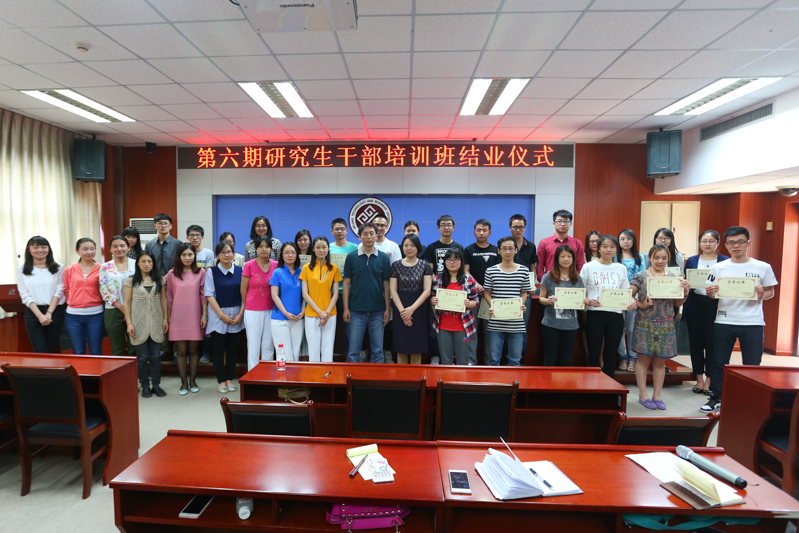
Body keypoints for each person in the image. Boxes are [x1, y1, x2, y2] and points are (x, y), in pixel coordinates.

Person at [702, 226, 778, 413]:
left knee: (752, 363)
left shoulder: (762, 267)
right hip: (724, 320)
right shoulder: (719, 267)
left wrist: (762, 293)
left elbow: (771, 291)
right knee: (719, 362)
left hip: (753, 322)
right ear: (726, 245)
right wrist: (711, 293)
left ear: (748, 243)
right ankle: (716, 397)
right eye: (732, 243)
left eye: (740, 242)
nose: (736, 246)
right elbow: (710, 292)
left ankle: (750, 398)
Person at [630, 245, 690, 410]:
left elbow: (677, 303)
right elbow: (628, 295)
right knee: (643, 360)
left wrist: (686, 292)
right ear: (650, 258)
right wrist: (642, 305)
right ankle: (643, 394)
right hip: (644, 323)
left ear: (668, 259)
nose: (660, 261)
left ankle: (657, 396)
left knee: (660, 362)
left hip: (666, 324)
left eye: (664, 258)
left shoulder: (673, 278)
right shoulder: (641, 276)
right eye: (656, 257)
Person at [683, 230, 729, 395]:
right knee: (695, 343)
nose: (707, 244)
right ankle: (699, 379)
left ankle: (709, 380)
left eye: (711, 241)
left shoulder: (725, 261)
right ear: (699, 243)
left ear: (718, 243)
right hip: (695, 304)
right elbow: (686, 281)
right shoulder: (692, 260)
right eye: (704, 241)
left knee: (712, 344)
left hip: (716, 304)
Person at [580, 235, 631, 378]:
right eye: (605, 246)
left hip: (616, 316)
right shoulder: (588, 267)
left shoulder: (621, 268)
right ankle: (591, 386)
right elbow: (580, 291)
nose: (609, 249)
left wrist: (631, 301)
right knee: (593, 355)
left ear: (616, 249)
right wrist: (587, 301)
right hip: (595, 315)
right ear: (598, 248)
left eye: (612, 247)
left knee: (610, 356)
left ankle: (609, 387)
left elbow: (625, 291)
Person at [343, 222, 391, 363]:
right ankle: (352, 376)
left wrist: (387, 309)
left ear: (376, 236)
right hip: (356, 310)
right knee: (353, 351)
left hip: (378, 310)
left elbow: (386, 284)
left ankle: (376, 377)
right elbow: (346, 283)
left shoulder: (383, 258)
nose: (369, 236)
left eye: (371, 233)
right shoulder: (351, 257)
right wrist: (346, 308)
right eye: (365, 234)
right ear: (359, 237)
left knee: (378, 351)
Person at [124, 253, 169, 398]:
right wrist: (129, 323)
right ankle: (144, 386)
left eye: (150, 261)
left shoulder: (159, 279)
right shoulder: (131, 280)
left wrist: (165, 319)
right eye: (143, 261)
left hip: (156, 321)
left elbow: (164, 300)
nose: (147, 264)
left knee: (156, 356)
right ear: (138, 263)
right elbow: (127, 303)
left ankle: (156, 385)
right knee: (142, 357)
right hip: (138, 323)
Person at [483, 236, 532, 366]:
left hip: (516, 321)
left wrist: (521, 304)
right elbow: (487, 293)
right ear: (499, 251)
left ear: (516, 250)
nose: (508, 252)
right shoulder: (491, 271)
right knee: (494, 360)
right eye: (504, 248)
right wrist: (493, 305)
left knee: (515, 360)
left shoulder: (524, 270)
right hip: (496, 321)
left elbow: (524, 292)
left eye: (511, 248)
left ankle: (514, 380)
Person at [166, 243, 207, 395]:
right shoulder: (172, 274)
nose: (187, 257)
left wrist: (204, 315)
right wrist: (168, 318)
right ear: (179, 256)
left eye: (190, 254)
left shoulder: (200, 272)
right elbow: (169, 297)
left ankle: (193, 381)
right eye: (184, 255)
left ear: (194, 255)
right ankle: (183, 383)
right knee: (181, 351)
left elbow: (204, 296)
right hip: (178, 317)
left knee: (194, 350)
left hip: (195, 315)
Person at [205, 241, 245, 394]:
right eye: (223, 252)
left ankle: (229, 379)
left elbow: (245, 294)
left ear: (233, 254)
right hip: (218, 315)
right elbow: (209, 295)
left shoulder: (241, 270)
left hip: (237, 314)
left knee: (232, 349)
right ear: (217, 255)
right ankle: (221, 380)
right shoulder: (212, 271)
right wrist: (221, 315)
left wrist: (241, 314)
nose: (226, 255)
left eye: (229, 252)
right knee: (218, 349)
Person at [423, 215, 464, 364]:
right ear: (438, 228)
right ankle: (435, 355)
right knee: (435, 325)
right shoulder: (431, 247)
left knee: (454, 325)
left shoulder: (459, 247)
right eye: (443, 225)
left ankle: (452, 356)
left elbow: (462, 271)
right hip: (438, 292)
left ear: (454, 227)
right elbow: (430, 271)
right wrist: (440, 286)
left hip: (456, 292)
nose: (446, 227)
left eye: (449, 225)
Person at [16, 236, 66, 353]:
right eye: (36, 247)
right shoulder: (21, 269)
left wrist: (49, 313)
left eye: (43, 247)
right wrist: (40, 316)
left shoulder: (59, 267)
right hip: (33, 313)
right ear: (29, 249)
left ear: (49, 249)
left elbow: (60, 290)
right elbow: (24, 294)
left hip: (55, 312)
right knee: (40, 351)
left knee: (52, 350)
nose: (40, 250)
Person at [538, 245, 585, 366]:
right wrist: (548, 300)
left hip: (571, 325)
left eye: (569, 256)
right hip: (551, 324)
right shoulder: (548, 276)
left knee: (566, 359)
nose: (566, 259)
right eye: (562, 256)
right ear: (557, 258)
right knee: (550, 357)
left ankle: (564, 379)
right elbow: (541, 298)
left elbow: (581, 299)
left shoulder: (578, 278)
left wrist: (584, 301)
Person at [390, 234, 433, 364]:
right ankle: (402, 376)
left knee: (416, 347)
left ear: (418, 247)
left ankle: (416, 376)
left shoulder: (424, 265)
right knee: (401, 346)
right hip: (400, 308)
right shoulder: (396, 265)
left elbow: (427, 291)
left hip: (418, 309)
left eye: (412, 245)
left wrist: (412, 309)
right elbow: (393, 290)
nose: (409, 248)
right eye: (406, 245)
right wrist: (403, 312)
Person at [431, 249, 479, 365]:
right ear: (444, 262)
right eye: (449, 259)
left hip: (463, 326)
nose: (452, 262)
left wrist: (469, 304)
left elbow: (476, 301)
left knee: (463, 361)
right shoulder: (438, 280)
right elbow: (432, 297)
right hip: (443, 325)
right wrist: (433, 300)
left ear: (461, 261)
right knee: (446, 360)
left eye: (455, 259)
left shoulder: (469, 280)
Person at [463, 219, 500, 364]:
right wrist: (478, 286)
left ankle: (490, 361)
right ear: (474, 232)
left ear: (490, 232)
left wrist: (488, 289)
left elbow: (499, 271)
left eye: (485, 230)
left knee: (490, 331)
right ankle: (471, 360)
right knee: (472, 330)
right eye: (479, 230)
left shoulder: (496, 250)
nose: (482, 233)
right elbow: (466, 271)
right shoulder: (468, 250)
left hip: (490, 297)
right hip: (473, 296)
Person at [300, 236, 342, 362]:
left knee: (328, 349)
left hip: (330, 314)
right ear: (313, 249)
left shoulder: (334, 268)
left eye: (324, 247)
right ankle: (315, 374)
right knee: (313, 349)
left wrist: (326, 313)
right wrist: (320, 312)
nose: (321, 250)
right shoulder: (306, 268)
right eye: (318, 247)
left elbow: (336, 294)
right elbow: (305, 294)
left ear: (328, 249)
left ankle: (327, 373)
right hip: (312, 313)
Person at [241, 236, 278, 370]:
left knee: (268, 346)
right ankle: (253, 375)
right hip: (252, 311)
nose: (264, 249)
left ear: (271, 249)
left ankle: (267, 375)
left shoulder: (276, 265)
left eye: (267, 246)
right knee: (253, 346)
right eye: (261, 246)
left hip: (271, 310)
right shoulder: (249, 265)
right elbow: (243, 290)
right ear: (256, 249)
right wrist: (249, 305)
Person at [63, 238, 104, 355]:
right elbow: (66, 289)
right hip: (73, 315)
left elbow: (105, 289)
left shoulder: (102, 268)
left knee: (96, 350)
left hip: (96, 314)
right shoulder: (70, 269)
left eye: (92, 249)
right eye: (85, 249)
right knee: (78, 351)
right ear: (77, 251)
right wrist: (74, 300)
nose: (89, 252)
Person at [615, 229, 648, 373]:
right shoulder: (615, 256)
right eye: (622, 239)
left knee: (631, 329)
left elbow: (643, 277)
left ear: (633, 240)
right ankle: (623, 357)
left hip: (634, 299)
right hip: (617, 297)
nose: (625, 242)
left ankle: (633, 359)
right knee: (620, 329)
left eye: (629, 239)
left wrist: (635, 296)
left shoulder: (639, 257)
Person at [99, 235, 135, 355]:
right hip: (113, 310)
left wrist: (129, 310)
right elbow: (104, 290)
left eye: (122, 246)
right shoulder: (105, 267)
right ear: (110, 249)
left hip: (135, 309)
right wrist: (123, 308)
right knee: (117, 348)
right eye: (115, 246)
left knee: (135, 347)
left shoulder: (137, 264)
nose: (119, 249)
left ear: (128, 248)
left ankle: (136, 368)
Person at [270, 242, 306, 361]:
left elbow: (305, 295)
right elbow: (274, 295)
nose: (290, 255)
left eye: (293, 252)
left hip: (298, 319)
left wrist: (303, 311)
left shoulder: (302, 272)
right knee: (284, 355)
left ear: (297, 255)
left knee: (295, 354)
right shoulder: (277, 272)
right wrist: (286, 313)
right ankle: (282, 374)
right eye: (286, 252)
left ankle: (293, 375)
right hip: (280, 319)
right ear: (282, 255)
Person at [509, 214, 537, 359]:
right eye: (515, 227)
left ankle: (519, 358)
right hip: (506, 291)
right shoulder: (505, 245)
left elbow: (533, 267)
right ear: (510, 228)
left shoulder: (531, 246)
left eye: (521, 227)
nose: (518, 229)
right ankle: (505, 358)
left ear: (525, 228)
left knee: (522, 327)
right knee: (505, 326)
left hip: (524, 291)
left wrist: (532, 284)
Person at [330, 218, 358, 350]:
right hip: (330, 294)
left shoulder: (355, 248)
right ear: (332, 231)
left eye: (342, 229)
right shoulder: (328, 248)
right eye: (337, 229)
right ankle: (330, 356)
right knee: (330, 327)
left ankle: (349, 356)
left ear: (347, 230)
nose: (339, 231)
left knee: (348, 327)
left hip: (349, 293)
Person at [536, 209, 585, 281]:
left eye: (566, 221)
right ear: (554, 224)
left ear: (570, 224)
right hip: (550, 281)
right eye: (559, 221)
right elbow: (540, 265)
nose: (562, 224)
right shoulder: (544, 243)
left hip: (571, 282)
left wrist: (576, 281)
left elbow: (580, 265)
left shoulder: (577, 243)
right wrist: (544, 281)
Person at [143, 213, 182, 280]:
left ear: (170, 226)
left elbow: (180, 263)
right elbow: (146, 262)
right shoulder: (149, 244)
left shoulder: (178, 244)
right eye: (160, 223)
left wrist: (166, 277)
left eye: (165, 223)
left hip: (174, 279)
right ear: (155, 226)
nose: (163, 226)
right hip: (154, 279)